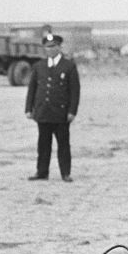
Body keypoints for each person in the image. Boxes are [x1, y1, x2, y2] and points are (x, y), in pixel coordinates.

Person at [25, 33, 80, 182]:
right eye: (47, 47)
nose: (50, 50)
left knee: (63, 144)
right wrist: (29, 108)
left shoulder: (69, 66)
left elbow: (74, 91)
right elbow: (32, 89)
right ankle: (42, 172)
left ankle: (65, 173)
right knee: (43, 144)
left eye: (53, 46)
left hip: (61, 113)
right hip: (43, 112)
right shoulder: (39, 66)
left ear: (59, 47)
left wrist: (72, 111)